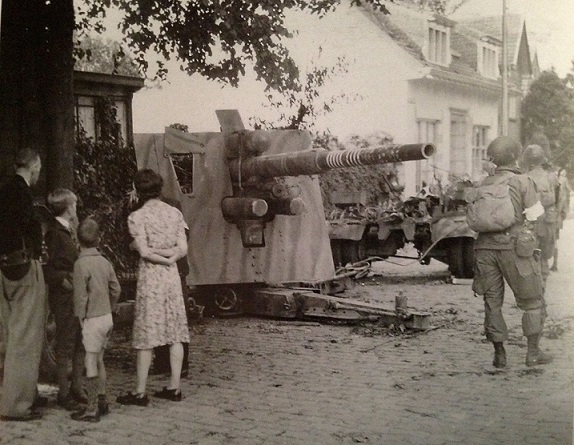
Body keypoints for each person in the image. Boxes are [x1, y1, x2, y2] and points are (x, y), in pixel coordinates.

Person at [471, 136, 552, 368]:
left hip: (484, 249)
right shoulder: (523, 181)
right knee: (532, 301)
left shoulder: (483, 183)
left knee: (492, 302)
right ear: (515, 157)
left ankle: (499, 355)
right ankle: (533, 353)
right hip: (514, 248)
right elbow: (536, 215)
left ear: (493, 158)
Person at [117, 169, 189, 406]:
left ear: (138, 191)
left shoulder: (136, 217)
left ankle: (140, 392)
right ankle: (174, 387)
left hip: (151, 277)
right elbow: (183, 249)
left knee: (147, 331)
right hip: (171, 277)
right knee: (175, 330)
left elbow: (145, 251)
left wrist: (159, 256)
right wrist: (170, 258)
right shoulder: (175, 213)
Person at [0, 147, 46, 421]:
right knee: (25, 337)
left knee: (7, 332)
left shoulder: (3, 188)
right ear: (34, 166)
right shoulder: (23, 193)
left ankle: (15, 393)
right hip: (23, 265)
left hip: (3, 266)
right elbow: (29, 229)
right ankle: (16, 404)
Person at [71, 218, 121, 422]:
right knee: (100, 359)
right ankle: (102, 400)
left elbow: (81, 296)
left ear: (77, 240)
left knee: (90, 362)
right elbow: (116, 289)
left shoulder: (80, 264)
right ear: (99, 239)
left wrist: (80, 317)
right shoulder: (105, 262)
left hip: (91, 319)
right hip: (106, 317)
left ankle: (91, 409)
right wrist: (110, 306)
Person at [43, 188, 85, 411]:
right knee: (66, 343)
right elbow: (48, 267)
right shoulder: (55, 234)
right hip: (65, 295)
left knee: (80, 341)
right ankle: (63, 392)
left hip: (78, 293)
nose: (76, 208)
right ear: (68, 208)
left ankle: (77, 387)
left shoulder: (72, 231)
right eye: (75, 205)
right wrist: (62, 280)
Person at [151, 196, 190, 378]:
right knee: (159, 316)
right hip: (158, 271)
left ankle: (181, 364)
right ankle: (161, 362)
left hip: (174, 271)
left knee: (176, 316)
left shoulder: (173, 208)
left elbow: (184, 236)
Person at [523, 145, 558, 289]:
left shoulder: (524, 178)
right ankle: (541, 287)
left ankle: (533, 289)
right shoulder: (551, 177)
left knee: (528, 257)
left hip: (529, 223)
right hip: (547, 223)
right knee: (543, 257)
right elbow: (556, 199)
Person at [550, 168, 571, 271]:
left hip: (549, 215)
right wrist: (563, 213)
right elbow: (566, 198)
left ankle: (547, 264)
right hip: (557, 216)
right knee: (554, 240)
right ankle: (555, 264)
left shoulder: (549, 179)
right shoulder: (563, 181)